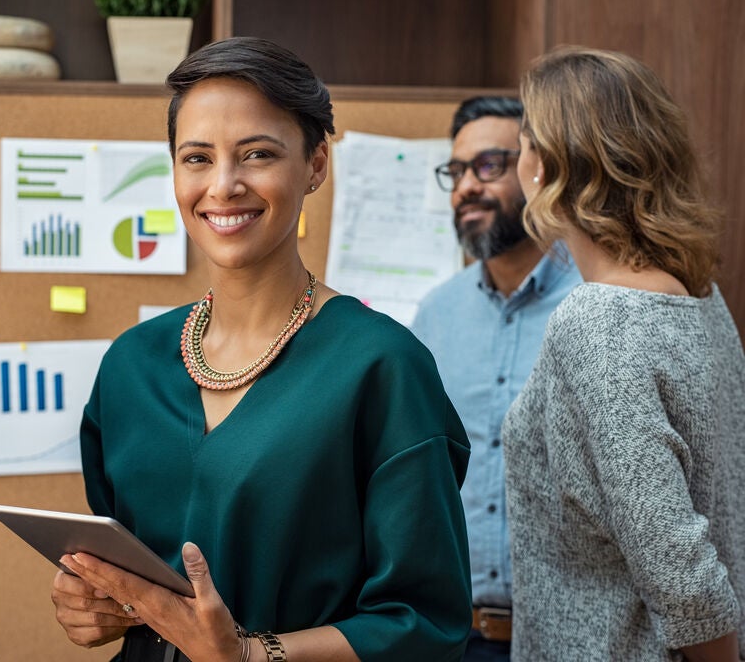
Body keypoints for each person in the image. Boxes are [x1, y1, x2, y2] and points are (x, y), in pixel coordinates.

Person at [51, 36, 472, 661]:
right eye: (197, 158)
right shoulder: (130, 367)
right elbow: (136, 573)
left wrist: (250, 655)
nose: (223, 186)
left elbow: (424, 624)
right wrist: (98, 603)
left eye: (257, 154)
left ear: (316, 165)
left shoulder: (382, 367)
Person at [504, 46, 745, 661]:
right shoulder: (702, 299)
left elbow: (681, 569)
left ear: (548, 165)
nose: (518, 158)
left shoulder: (599, 321)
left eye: (524, 140)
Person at [411, 96, 582, 660]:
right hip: (454, 637)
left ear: (540, 171)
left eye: (488, 166)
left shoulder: (597, 303)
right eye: (456, 171)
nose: (466, 187)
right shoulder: (436, 315)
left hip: (570, 636)